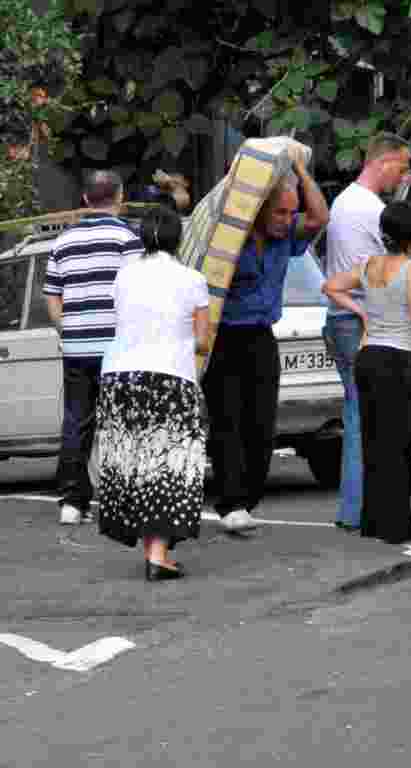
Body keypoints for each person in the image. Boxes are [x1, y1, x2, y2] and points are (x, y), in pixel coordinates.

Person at [202, 157, 329, 532]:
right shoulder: (230, 239)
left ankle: (248, 499)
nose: (286, 219)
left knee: (261, 424)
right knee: (228, 422)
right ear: (258, 210)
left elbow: (320, 218)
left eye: (291, 212)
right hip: (223, 337)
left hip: (260, 337)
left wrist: (302, 171)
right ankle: (230, 502)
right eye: (280, 212)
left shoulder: (287, 237)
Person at [94, 206, 209, 581]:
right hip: (170, 377)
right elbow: (203, 339)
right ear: (180, 239)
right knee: (168, 461)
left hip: (119, 376)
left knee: (135, 460)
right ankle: (158, 554)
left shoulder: (123, 277)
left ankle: (153, 552)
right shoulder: (193, 279)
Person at [323, 201, 411, 545]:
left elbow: (331, 286)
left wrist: (364, 312)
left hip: (368, 358)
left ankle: (373, 521)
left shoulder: (368, 263)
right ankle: (399, 527)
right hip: (399, 359)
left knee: (374, 443)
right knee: (398, 446)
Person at [43, 170, 145, 526]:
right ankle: (122, 501)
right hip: (118, 347)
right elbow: (135, 291)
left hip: (76, 346)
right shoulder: (127, 237)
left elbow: (52, 294)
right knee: (121, 422)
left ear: (85, 199)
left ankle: (72, 502)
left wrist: (66, 327)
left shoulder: (63, 241)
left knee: (77, 421)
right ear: (119, 196)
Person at [323, 133, 411, 531]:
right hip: (360, 322)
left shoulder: (344, 201)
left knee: (358, 413)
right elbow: (393, 265)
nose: (404, 176)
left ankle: (355, 508)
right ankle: (362, 510)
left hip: (342, 318)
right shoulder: (371, 209)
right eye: (403, 166)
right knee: (368, 418)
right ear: (384, 162)